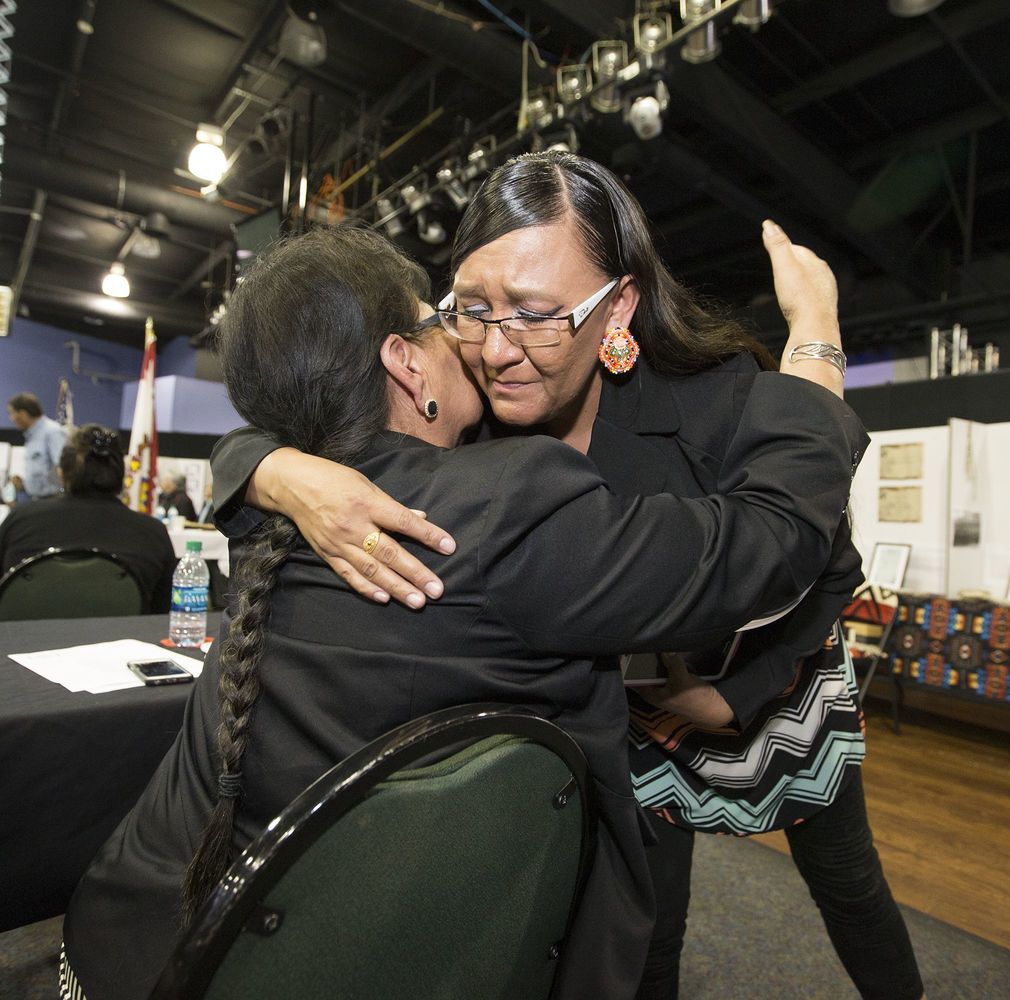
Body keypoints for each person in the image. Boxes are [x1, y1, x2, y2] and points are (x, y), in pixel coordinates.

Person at [60, 224, 862, 1000]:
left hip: (133, 939)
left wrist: (266, 466)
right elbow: (773, 541)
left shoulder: (289, 507)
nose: (472, 340)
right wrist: (816, 333)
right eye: (442, 318)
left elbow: (243, 445)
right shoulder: (506, 502)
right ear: (406, 365)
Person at [0, 425, 176, 611]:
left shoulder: (20, 521)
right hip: (122, 638)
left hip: (27, 638)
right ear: (122, 476)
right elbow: (162, 611)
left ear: (61, 473)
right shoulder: (152, 533)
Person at [7, 392, 68, 499]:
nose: (11, 418)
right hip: (37, 500)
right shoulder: (32, 436)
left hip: (53, 500)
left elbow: (64, 468)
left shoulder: (52, 432)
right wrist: (25, 484)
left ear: (22, 414)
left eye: (12, 413)